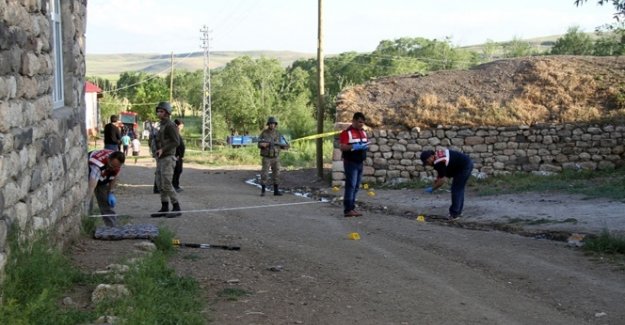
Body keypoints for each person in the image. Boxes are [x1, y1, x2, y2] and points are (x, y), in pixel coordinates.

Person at [420, 148, 474, 220]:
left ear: (431, 157)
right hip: (465, 164)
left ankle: (454, 214)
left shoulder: (438, 162)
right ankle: (458, 212)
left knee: (456, 189)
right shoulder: (437, 155)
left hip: (464, 167)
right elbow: (442, 173)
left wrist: (432, 189)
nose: (428, 164)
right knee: (459, 189)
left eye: (427, 162)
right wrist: (438, 179)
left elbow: (442, 180)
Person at [151, 101, 182, 218]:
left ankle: (176, 207)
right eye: (158, 111)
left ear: (167, 113)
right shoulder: (162, 125)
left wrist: (163, 149)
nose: (159, 113)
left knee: (167, 183)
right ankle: (164, 207)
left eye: (161, 111)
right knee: (160, 183)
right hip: (160, 158)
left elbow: (176, 141)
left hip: (168, 158)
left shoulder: (170, 125)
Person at [339, 112, 369, 217]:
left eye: (363, 122)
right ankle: (348, 210)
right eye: (360, 122)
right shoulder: (347, 132)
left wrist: (364, 147)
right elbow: (342, 147)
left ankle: (352, 208)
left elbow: (365, 143)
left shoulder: (363, 132)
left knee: (356, 186)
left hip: (359, 162)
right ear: (354, 121)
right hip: (350, 163)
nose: (362, 124)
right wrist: (353, 147)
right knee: (351, 186)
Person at [87, 149, 126, 227]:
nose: (113, 169)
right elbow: (92, 186)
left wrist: (110, 192)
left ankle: (112, 227)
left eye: (116, 167)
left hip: (103, 173)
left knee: (105, 201)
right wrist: (87, 201)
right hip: (90, 173)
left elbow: (114, 176)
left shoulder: (116, 163)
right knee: (88, 202)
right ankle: (87, 222)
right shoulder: (97, 165)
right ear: (108, 159)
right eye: (112, 166)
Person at [258, 116, 289, 196]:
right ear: (268, 124)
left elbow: (284, 145)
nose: (272, 125)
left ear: (275, 125)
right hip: (267, 157)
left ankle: (276, 191)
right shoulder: (264, 133)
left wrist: (285, 146)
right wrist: (263, 145)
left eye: (273, 124)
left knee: (277, 174)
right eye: (271, 123)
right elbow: (259, 143)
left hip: (276, 157)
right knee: (264, 174)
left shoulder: (278, 134)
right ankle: (263, 191)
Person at [172, 119, 186, 193]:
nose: (182, 127)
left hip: (179, 156)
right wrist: (176, 154)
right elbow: (175, 145)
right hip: (176, 156)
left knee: (179, 171)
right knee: (176, 171)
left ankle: (176, 185)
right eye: (181, 126)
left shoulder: (177, 133)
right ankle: (174, 186)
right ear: (177, 125)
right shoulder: (174, 134)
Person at [149, 121, 161, 193]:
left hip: (157, 151)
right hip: (159, 152)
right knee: (159, 171)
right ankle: (157, 188)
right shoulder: (156, 133)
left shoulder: (155, 132)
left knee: (159, 171)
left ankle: (157, 187)